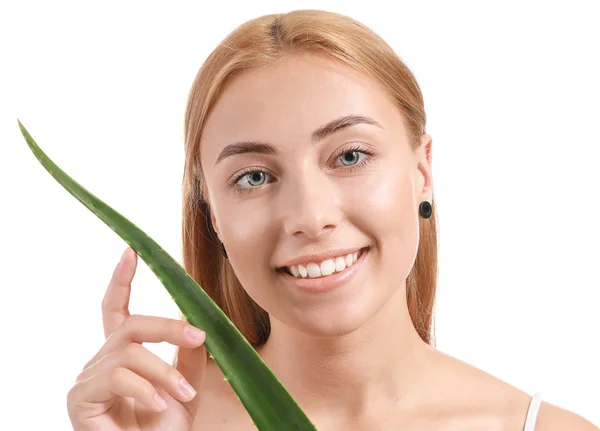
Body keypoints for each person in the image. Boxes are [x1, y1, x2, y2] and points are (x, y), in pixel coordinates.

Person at [66, 9, 598, 431]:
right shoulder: (150, 426)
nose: (310, 217)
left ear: (422, 171)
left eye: (349, 156)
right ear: (212, 217)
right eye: (253, 177)